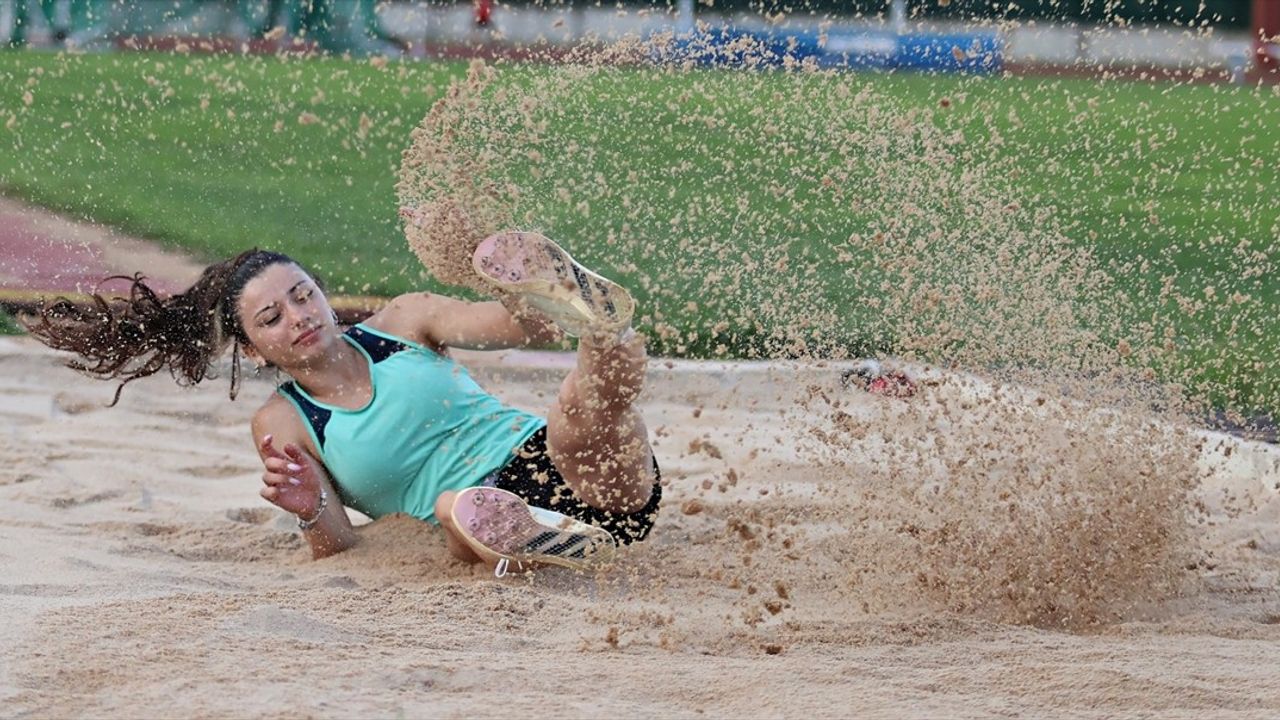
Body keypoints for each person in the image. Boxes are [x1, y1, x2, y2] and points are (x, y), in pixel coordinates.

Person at [21, 228, 662, 576]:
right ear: (253, 347)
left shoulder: (406, 321)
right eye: (271, 317)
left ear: (322, 292)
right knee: (454, 508)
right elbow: (339, 549)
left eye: (303, 295)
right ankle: (554, 541)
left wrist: (527, 298)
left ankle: (598, 320)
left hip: (576, 471)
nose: (298, 316)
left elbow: (520, 329)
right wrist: (307, 510)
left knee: (581, 411)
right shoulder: (282, 421)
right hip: (480, 517)